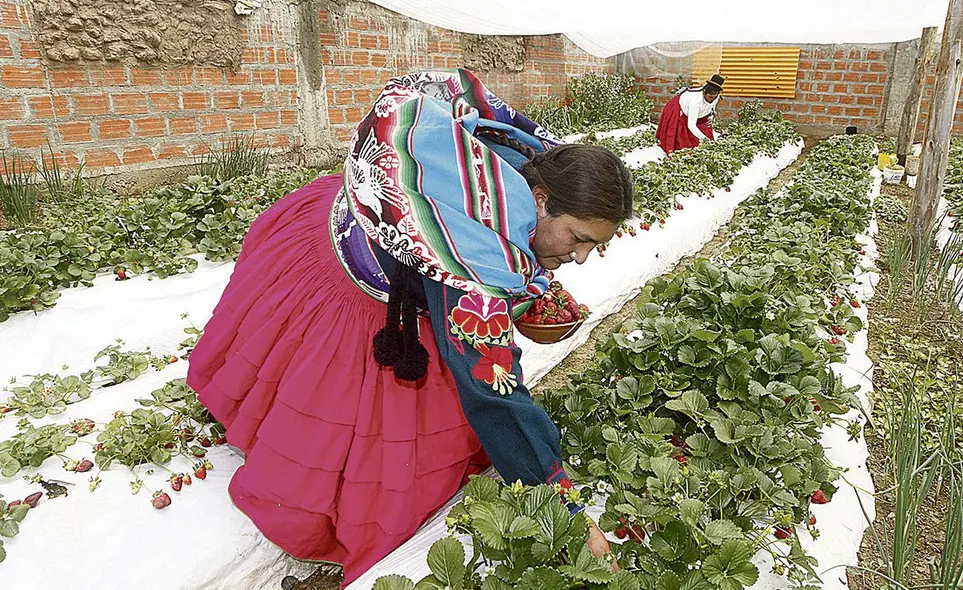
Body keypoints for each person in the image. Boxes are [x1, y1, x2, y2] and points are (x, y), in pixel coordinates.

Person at [186, 69, 634, 585]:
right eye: (577, 238)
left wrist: (533, 282)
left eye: (592, 247)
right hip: (343, 278)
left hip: (329, 216)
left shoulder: (520, 159)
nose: (579, 257)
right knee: (358, 450)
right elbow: (494, 392)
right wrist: (567, 509)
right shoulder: (475, 252)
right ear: (538, 199)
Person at [655, 73, 725, 155]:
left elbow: (712, 108)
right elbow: (691, 125)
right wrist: (704, 139)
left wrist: (711, 117)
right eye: (709, 97)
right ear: (704, 92)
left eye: (713, 97)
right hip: (678, 108)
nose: (711, 99)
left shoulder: (716, 97)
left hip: (697, 114)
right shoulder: (696, 102)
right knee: (683, 144)